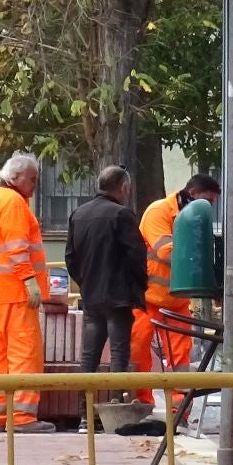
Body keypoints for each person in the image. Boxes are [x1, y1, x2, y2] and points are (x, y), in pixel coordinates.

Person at [0, 152, 54, 433]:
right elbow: (17, 247)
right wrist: (30, 281)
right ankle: (22, 417)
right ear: (16, 177)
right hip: (16, 292)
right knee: (25, 354)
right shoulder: (12, 203)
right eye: (32, 179)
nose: (34, 185)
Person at [131, 173, 219, 405]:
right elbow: (166, 251)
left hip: (177, 300)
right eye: (207, 202)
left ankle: (179, 410)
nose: (209, 208)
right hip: (148, 298)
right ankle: (142, 402)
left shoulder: (192, 218)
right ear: (192, 195)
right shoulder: (158, 212)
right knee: (138, 351)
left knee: (180, 358)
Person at [64, 165, 147, 386]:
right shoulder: (121, 214)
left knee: (89, 357)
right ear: (123, 187)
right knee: (119, 354)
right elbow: (136, 255)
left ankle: (85, 414)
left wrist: (86, 282)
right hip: (118, 297)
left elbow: (70, 258)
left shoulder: (78, 214)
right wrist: (138, 287)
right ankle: (116, 408)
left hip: (92, 297)